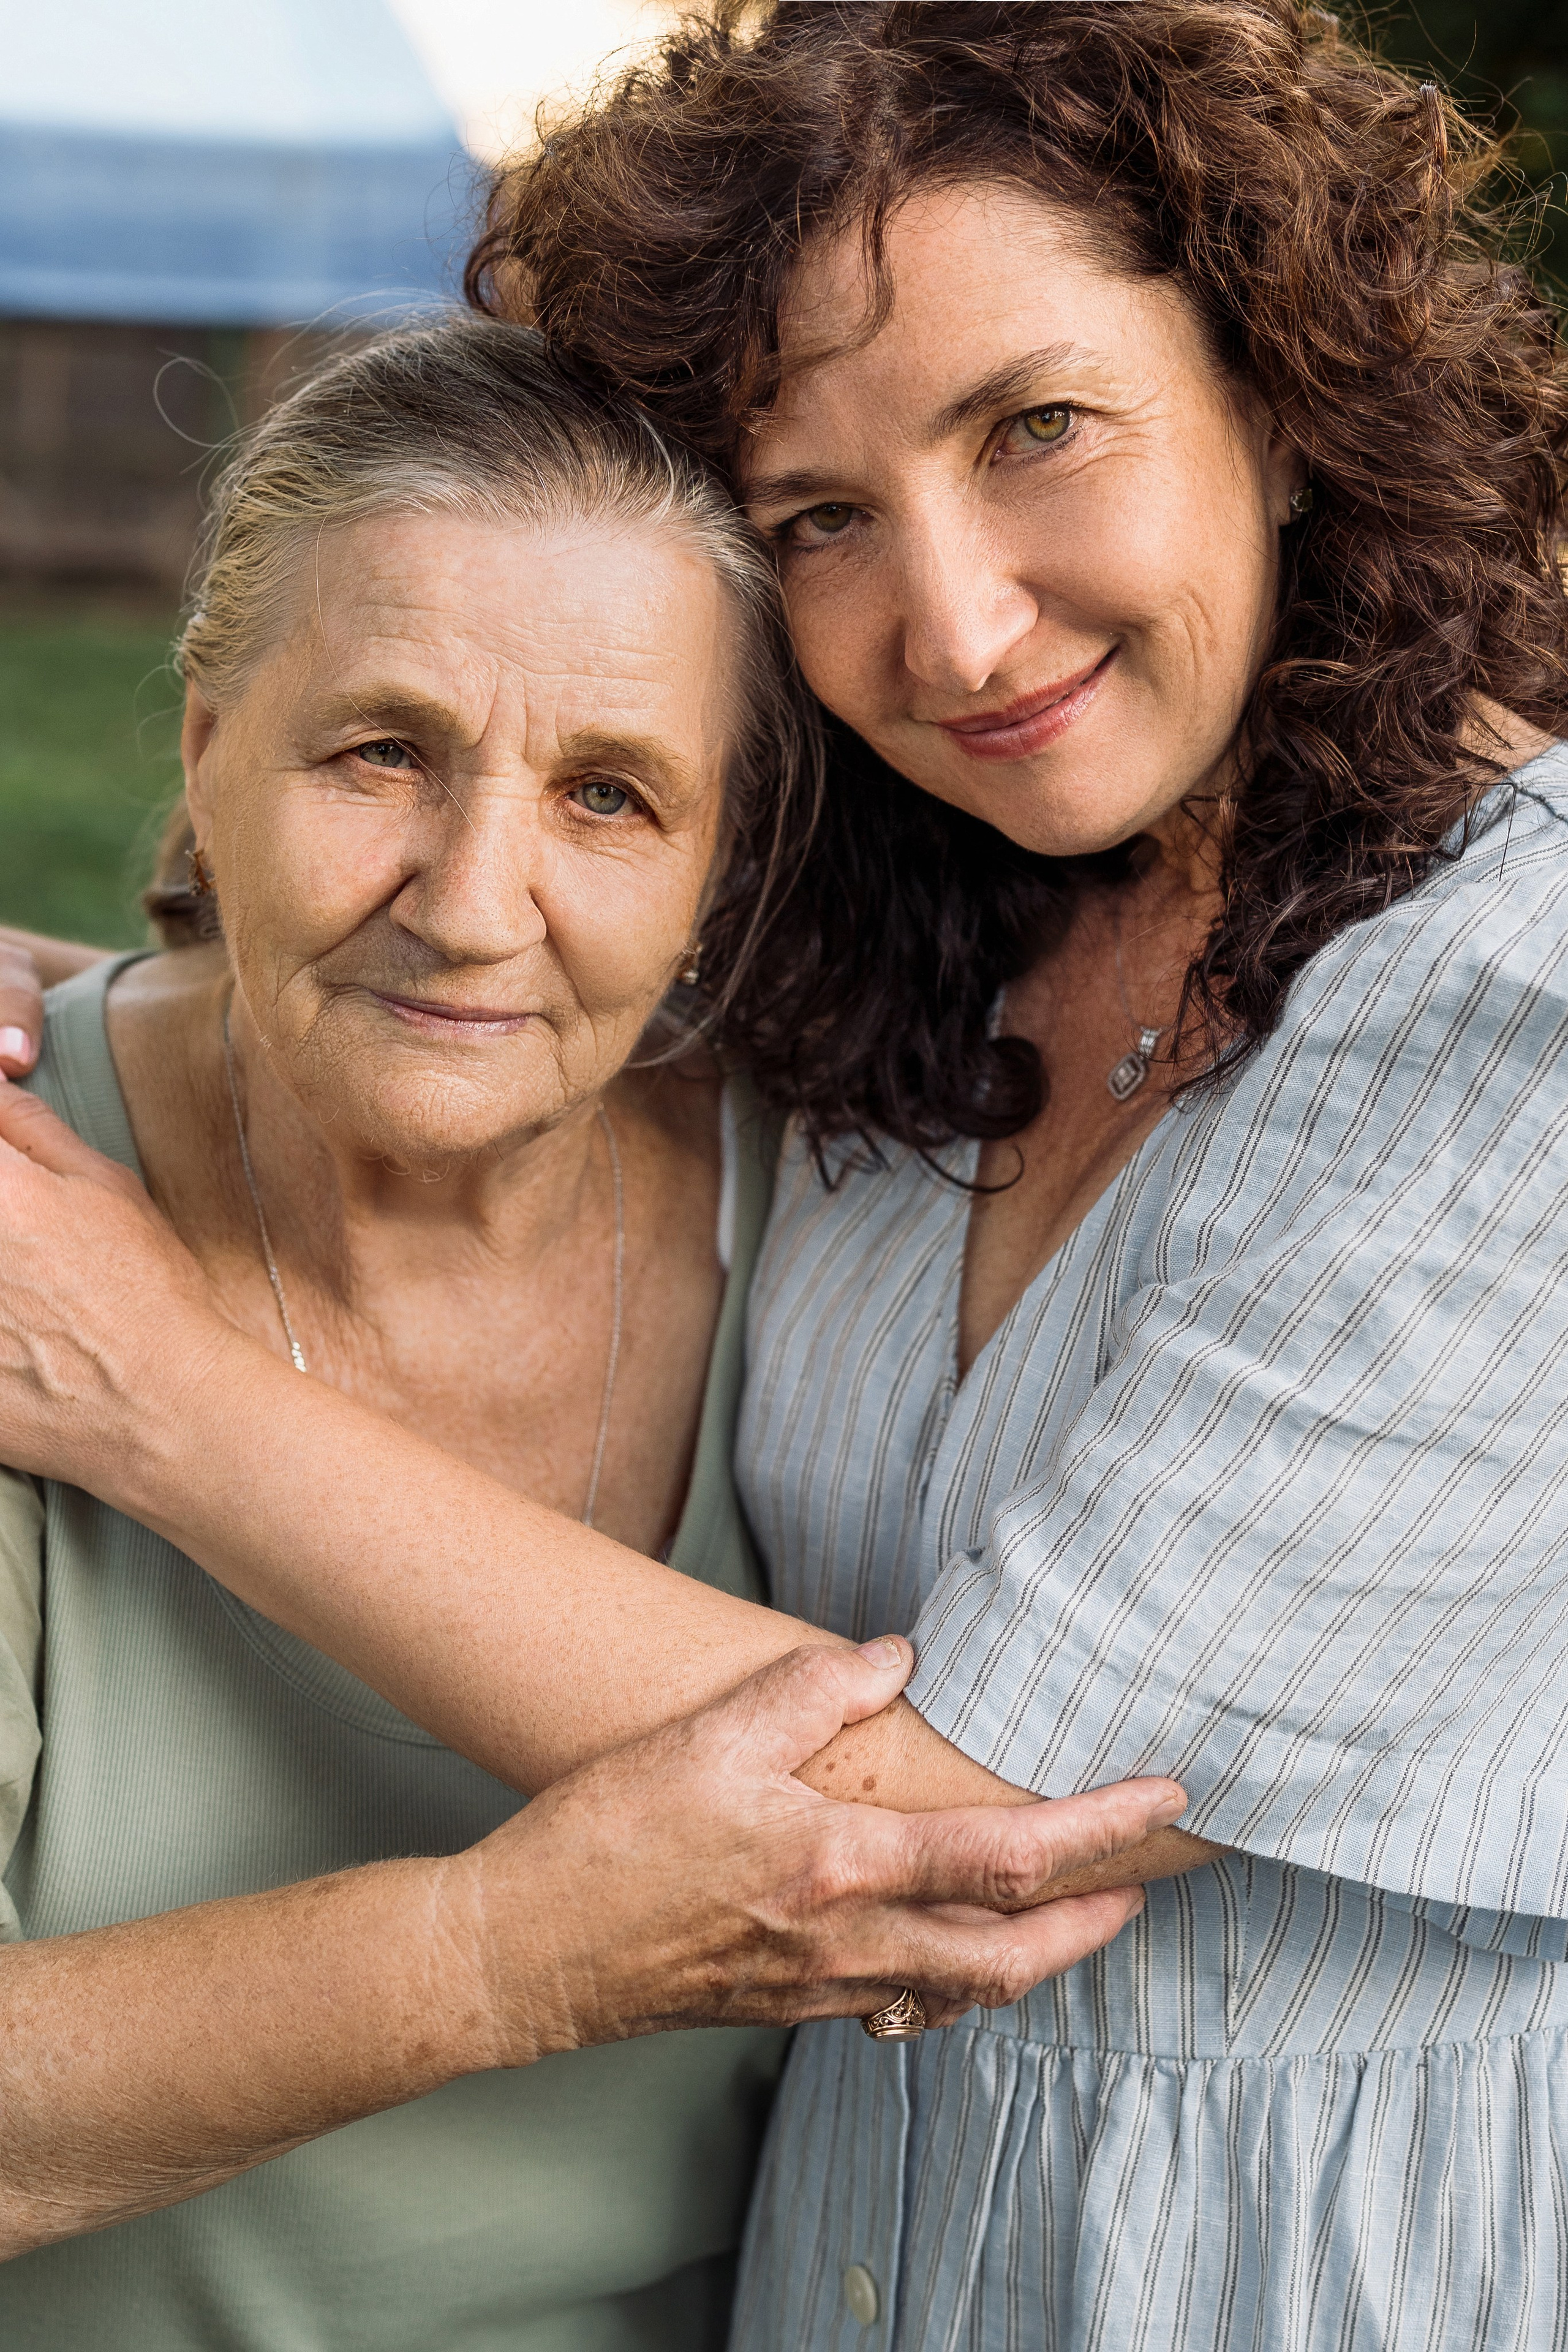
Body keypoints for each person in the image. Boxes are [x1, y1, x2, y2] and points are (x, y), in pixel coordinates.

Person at [1, 1, 1565, 2343]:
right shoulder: (934, 949)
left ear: (1275, 382)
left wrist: (148, 1387)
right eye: (819, 516)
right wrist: (126, 1017)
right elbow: (465, 937)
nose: (949, 621)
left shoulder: (1513, 1004)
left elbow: (960, 1817)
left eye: (1034, 428)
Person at [0, 315, 1182, 2351]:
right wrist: (500, 1955)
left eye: (613, 797)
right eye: (383, 750)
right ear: (205, 743)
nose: (472, 902)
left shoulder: (851, 1228)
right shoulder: (28, 1226)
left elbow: (1007, 1850)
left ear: (729, 861)